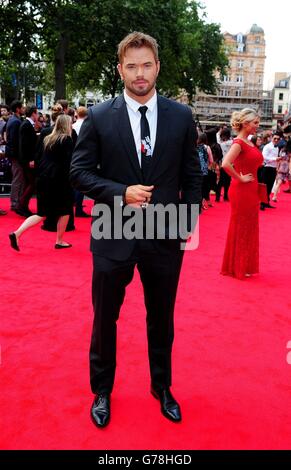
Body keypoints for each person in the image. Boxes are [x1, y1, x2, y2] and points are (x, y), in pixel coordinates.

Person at [70, 31, 202, 427]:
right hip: (113, 229)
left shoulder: (181, 116)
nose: (140, 74)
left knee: (161, 317)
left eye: (146, 65)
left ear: (157, 67)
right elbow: (78, 173)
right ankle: (102, 390)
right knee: (104, 317)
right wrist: (120, 192)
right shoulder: (97, 116)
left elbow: (192, 177)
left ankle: (162, 387)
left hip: (164, 233)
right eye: (132, 66)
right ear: (120, 70)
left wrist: (185, 224)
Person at [9, 114, 74, 251]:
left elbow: (41, 157)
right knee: (66, 209)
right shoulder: (66, 140)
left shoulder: (48, 138)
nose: (72, 125)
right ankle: (59, 240)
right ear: (66, 125)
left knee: (41, 213)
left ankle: (17, 233)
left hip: (43, 178)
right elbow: (68, 163)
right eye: (70, 123)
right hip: (58, 180)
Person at [221, 108, 263, 280]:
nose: (257, 126)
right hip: (241, 190)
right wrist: (240, 178)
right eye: (255, 123)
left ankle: (242, 264)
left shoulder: (249, 142)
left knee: (249, 226)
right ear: (245, 124)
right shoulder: (239, 143)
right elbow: (225, 164)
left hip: (251, 189)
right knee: (241, 226)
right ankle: (237, 266)